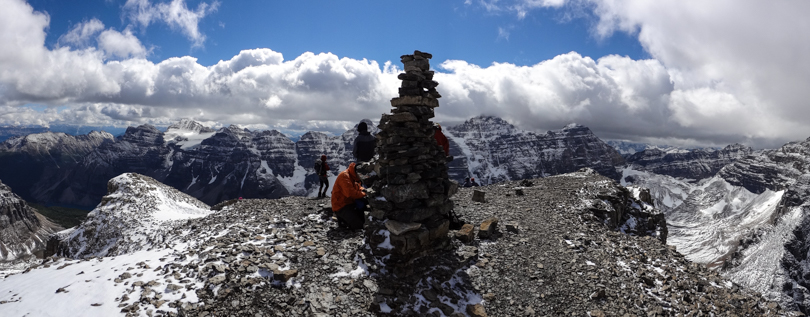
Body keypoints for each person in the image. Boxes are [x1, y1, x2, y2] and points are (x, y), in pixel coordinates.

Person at [331, 162, 367, 230]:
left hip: (349, 203)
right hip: (341, 205)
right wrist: (365, 193)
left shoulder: (353, 176)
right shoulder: (345, 176)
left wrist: (364, 190)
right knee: (358, 225)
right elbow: (350, 193)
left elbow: (358, 187)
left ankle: (343, 220)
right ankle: (342, 219)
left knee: (363, 220)